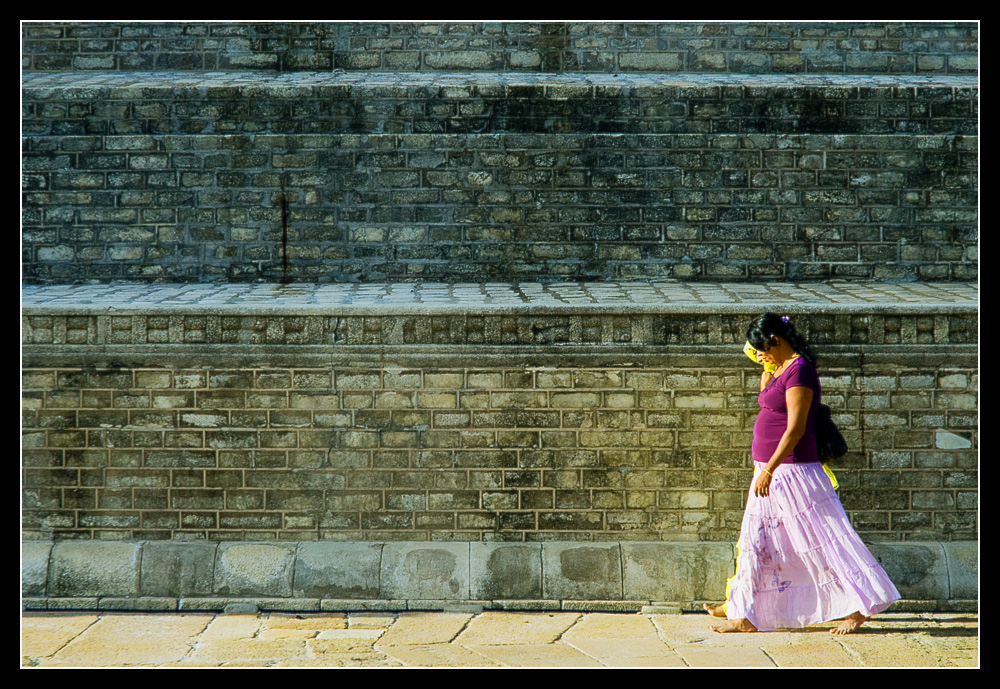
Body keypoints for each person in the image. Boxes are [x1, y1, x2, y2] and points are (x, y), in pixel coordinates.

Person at [704, 313, 900, 634]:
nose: (759, 355)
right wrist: (767, 368)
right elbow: (767, 400)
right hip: (769, 470)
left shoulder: (801, 372)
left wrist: (770, 468)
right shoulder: (778, 368)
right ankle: (744, 613)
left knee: (825, 538)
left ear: (776, 341)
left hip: (792, 470)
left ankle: (861, 606)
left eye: (762, 350)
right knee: (757, 540)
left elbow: (795, 429)